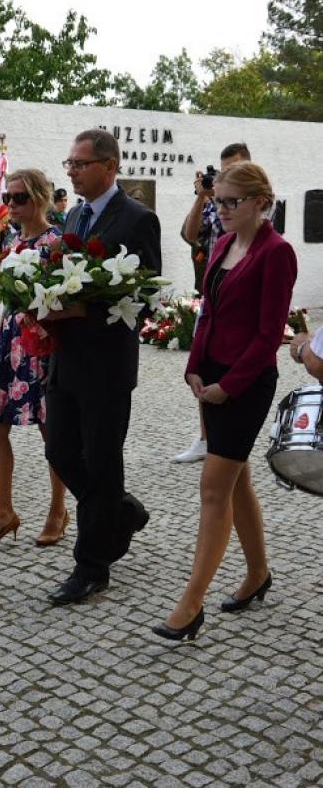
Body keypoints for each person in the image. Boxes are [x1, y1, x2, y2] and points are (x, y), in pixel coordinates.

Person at [153, 162, 297, 641]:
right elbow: (208, 310)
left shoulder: (277, 253)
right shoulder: (220, 243)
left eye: (232, 202)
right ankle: (258, 573)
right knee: (236, 482)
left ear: (261, 202)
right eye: (219, 202)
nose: (223, 210)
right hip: (212, 375)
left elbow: (267, 334)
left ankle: (191, 603)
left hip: (247, 382)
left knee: (214, 488)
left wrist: (228, 385)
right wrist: (194, 364)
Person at [44, 129, 162, 605]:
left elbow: (146, 295)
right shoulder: (73, 214)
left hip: (107, 364)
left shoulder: (137, 219)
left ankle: (91, 566)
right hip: (65, 358)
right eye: (69, 163)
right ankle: (122, 512)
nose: (70, 171)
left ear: (109, 166)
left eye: (80, 163)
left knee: (102, 458)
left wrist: (86, 314)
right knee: (60, 452)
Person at [0, 169, 67, 548]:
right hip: (11, 338)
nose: (11, 204)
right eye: (8, 198)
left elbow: (62, 297)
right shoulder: (11, 239)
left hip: (42, 339)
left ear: (40, 198)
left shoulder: (56, 241)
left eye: (20, 198)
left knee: (51, 431)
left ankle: (58, 510)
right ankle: (3, 513)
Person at [175, 142, 252, 464]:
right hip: (213, 292)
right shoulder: (214, 201)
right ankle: (207, 438)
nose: (226, 175)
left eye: (233, 168)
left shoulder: (257, 200)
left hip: (243, 292)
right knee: (206, 360)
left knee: (240, 359)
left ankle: (232, 437)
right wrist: (202, 197)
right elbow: (190, 235)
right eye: (223, 170)